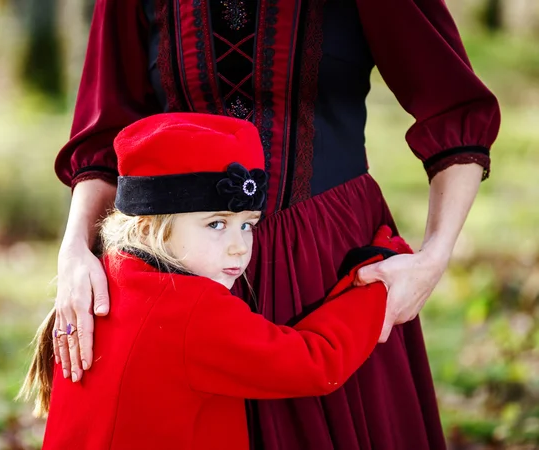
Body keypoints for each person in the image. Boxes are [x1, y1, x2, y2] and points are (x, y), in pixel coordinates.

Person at [53, 1, 501, 448]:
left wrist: (433, 258)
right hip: (174, 260)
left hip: (327, 268)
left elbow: (453, 106)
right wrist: (74, 250)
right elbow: (105, 137)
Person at [22, 113, 411, 450]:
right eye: (216, 224)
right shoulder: (190, 307)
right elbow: (315, 362)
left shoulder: (105, 278)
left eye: (248, 225)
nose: (239, 247)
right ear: (147, 226)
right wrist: (374, 282)